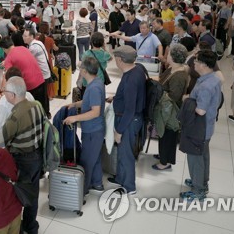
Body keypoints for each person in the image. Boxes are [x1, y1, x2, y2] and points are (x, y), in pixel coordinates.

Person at [2, 77, 43, 234]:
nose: (4, 94)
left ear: (12, 95)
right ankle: (31, 226)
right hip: (37, 156)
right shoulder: (36, 106)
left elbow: (1, 139)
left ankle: (17, 228)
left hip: (21, 160)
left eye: (5, 91)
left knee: (18, 194)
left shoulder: (15, 117)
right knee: (33, 193)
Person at [180, 50, 222, 202]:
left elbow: (201, 110)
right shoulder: (212, 78)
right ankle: (202, 183)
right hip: (207, 128)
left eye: (196, 61)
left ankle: (198, 191)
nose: (194, 63)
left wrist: (187, 100)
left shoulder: (205, 86)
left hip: (199, 128)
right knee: (204, 156)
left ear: (204, 64)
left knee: (195, 159)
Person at [64, 57, 106, 195]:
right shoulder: (96, 82)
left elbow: (95, 112)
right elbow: (89, 102)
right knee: (95, 157)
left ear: (84, 71)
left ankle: (83, 190)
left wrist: (74, 118)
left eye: (81, 68)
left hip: (93, 131)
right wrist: (76, 104)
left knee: (87, 160)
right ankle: (97, 182)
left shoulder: (93, 88)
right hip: (95, 129)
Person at [108, 45, 146, 194]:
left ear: (120, 60)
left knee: (126, 154)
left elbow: (130, 110)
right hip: (130, 117)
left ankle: (129, 186)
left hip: (129, 121)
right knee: (123, 152)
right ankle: (120, 178)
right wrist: (117, 98)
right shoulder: (136, 70)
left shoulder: (131, 79)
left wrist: (119, 130)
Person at [153, 44, 189, 170]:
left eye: (168, 54)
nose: (166, 55)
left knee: (168, 135)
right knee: (163, 134)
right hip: (165, 109)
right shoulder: (172, 69)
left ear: (173, 57)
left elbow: (174, 96)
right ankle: (163, 155)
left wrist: (160, 93)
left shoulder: (179, 76)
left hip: (171, 111)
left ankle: (165, 162)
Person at [0, 37, 48, 119]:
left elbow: (8, 75)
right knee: (43, 107)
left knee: (33, 112)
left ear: (3, 49)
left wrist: (2, 88)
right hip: (40, 79)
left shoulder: (8, 58)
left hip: (30, 85)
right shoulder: (23, 48)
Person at [23, 28, 51, 115]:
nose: (23, 37)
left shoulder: (33, 47)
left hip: (42, 74)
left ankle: (44, 113)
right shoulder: (38, 42)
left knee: (42, 96)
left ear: (31, 36)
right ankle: (46, 112)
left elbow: (26, 60)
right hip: (45, 72)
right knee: (44, 95)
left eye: (25, 36)